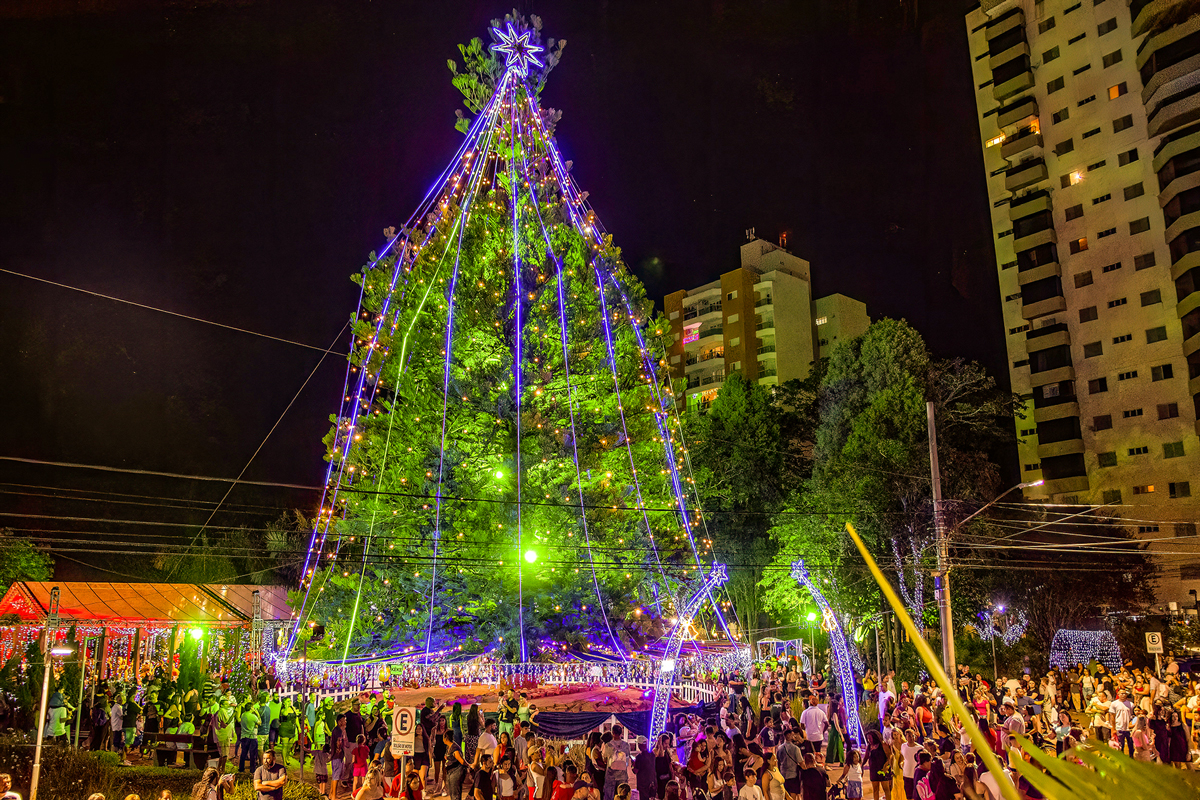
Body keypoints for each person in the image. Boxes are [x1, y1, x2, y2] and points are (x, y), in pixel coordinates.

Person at [1109, 690, 1134, 756]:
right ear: (1118, 694)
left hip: (1129, 728)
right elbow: (1112, 717)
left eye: (1125, 693)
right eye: (1121, 693)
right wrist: (1113, 729)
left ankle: (1131, 757)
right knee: (1120, 745)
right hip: (1119, 727)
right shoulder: (1114, 704)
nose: (1123, 695)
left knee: (1131, 745)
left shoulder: (1131, 704)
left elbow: (1133, 715)